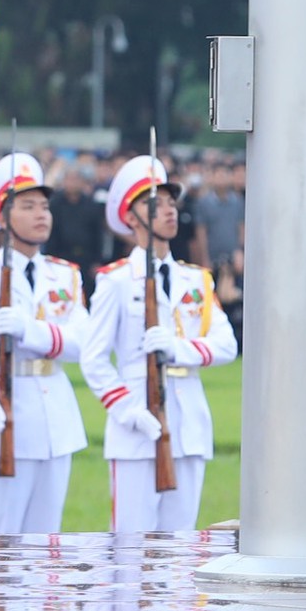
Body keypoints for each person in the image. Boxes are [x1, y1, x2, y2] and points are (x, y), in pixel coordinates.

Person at [83, 157, 233, 536]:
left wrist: (178, 349)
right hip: (136, 423)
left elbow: (226, 345)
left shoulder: (196, 280)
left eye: (170, 202)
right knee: (131, 545)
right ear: (130, 219)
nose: (167, 211)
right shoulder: (115, 281)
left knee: (182, 542)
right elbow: (94, 359)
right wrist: (127, 411)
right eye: (154, 205)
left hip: (189, 423)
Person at [0, 152, 89, 535]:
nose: (42, 214)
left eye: (45, 206)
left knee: (47, 544)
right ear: (3, 216)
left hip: (55, 420)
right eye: (28, 206)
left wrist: (33, 331)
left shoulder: (65, 275)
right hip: (1, 420)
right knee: (2, 541)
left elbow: (84, 344)